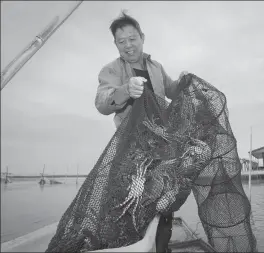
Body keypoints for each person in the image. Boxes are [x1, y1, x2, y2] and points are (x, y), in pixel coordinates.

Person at [95, 11, 187, 253]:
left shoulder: (156, 67)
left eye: (132, 38)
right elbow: (102, 103)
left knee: (165, 202)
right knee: (132, 204)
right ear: (115, 44)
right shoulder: (111, 71)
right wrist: (126, 90)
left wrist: (183, 82)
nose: (128, 45)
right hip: (132, 150)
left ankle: (161, 247)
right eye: (121, 41)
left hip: (162, 147)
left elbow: (173, 91)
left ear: (142, 37)